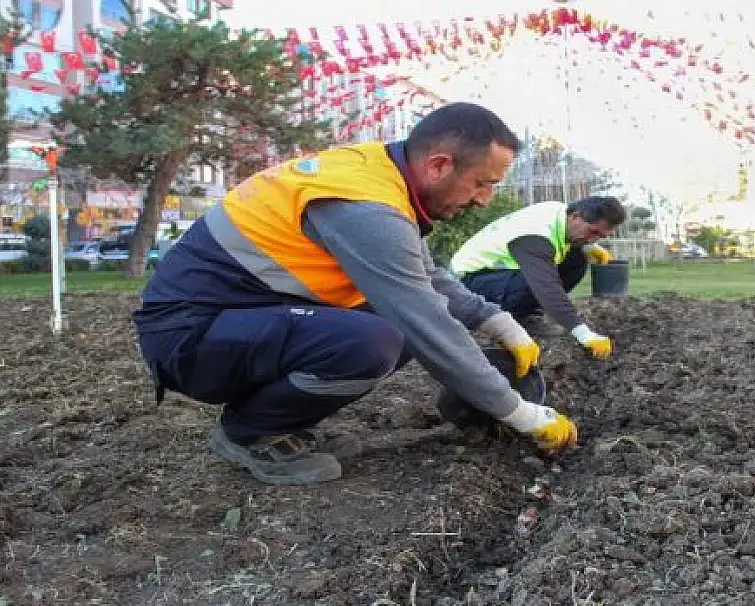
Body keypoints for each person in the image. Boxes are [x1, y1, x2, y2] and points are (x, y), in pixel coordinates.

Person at [133, 102, 578, 487]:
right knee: (378, 339)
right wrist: (519, 413)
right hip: (189, 336)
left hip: (241, 318)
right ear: (439, 165)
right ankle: (249, 432)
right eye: (483, 183)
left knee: (387, 331)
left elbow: (423, 273)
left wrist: (498, 323)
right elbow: (426, 320)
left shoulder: (379, 174)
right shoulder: (367, 209)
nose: (484, 199)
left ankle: (279, 421)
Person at [450, 197, 626, 360]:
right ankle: (513, 318)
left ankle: (523, 313)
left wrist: (588, 247)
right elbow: (547, 287)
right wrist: (583, 333)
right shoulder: (535, 234)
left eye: (600, 237)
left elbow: (566, 243)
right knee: (538, 282)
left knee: (577, 260)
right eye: (592, 232)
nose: (593, 239)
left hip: (496, 276)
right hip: (467, 286)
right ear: (576, 216)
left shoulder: (560, 213)